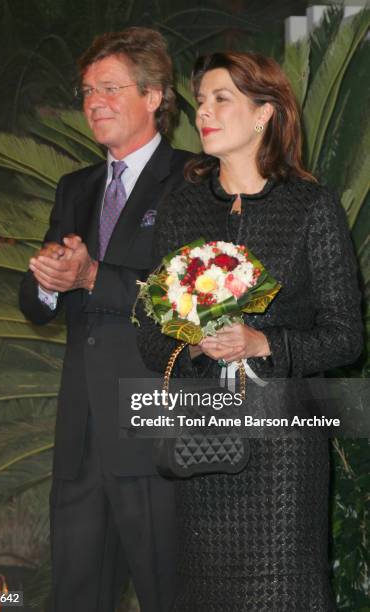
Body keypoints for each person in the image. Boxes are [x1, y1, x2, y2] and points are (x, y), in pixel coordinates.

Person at [137, 51, 363, 611]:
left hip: (284, 450)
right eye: (202, 101)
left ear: (264, 113)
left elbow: (345, 337)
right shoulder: (182, 207)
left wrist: (265, 345)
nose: (203, 113)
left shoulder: (311, 207)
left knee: (284, 595)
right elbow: (148, 329)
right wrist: (192, 344)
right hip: (201, 445)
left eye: (221, 99)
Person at [19, 27, 191, 612]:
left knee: (168, 595)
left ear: (154, 96)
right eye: (88, 90)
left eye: (111, 88)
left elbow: (192, 303)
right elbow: (36, 303)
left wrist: (93, 277)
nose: (94, 102)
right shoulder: (75, 187)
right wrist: (47, 280)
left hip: (156, 433)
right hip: (80, 440)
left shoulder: (196, 181)